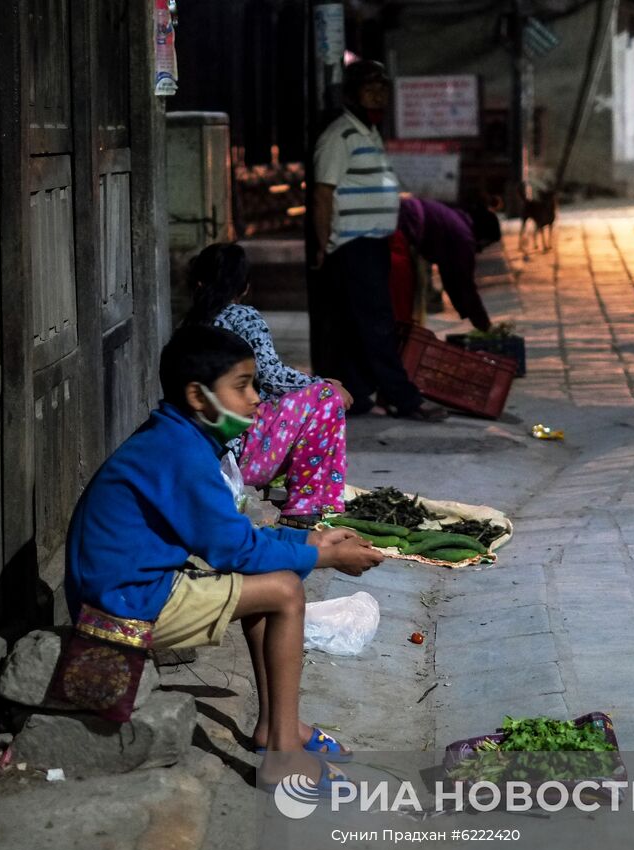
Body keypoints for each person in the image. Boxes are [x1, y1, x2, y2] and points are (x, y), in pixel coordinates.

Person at [64, 324, 384, 785]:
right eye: (242, 386)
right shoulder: (180, 454)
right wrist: (327, 558)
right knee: (285, 591)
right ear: (198, 396)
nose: (255, 398)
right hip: (123, 605)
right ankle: (283, 758)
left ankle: (277, 726)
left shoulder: (178, 440)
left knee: (270, 582)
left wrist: (311, 543)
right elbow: (236, 551)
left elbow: (229, 538)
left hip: (130, 587)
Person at [310, 58, 448, 422]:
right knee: (377, 323)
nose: (377, 97)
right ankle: (403, 398)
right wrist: (324, 244)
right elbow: (323, 193)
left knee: (360, 324)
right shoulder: (340, 136)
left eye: (382, 90)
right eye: (369, 90)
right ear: (352, 95)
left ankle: (357, 395)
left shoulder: (368, 133)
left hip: (373, 243)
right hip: (354, 244)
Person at [183, 243, 351, 526]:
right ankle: (306, 505)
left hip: (207, 452)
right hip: (238, 452)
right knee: (326, 397)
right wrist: (325, 384)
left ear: (198, 284)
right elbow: (272, 376)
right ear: (245, 287)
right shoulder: (242, 316)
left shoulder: (189, 326)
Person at [396, 196, 501, 333]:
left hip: (401, 217)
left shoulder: (456, 220)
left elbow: (449, 276)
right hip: (402, 226)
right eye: (486, 244)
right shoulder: (464, 238)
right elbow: (466, 285)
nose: (481, 250)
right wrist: (485, 326)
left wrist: (465, 310)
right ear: (482, 234)